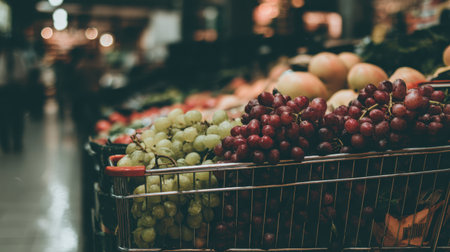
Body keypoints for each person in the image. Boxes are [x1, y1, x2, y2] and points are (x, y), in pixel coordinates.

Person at [0, 38, 28, 153]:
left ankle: (17, 143)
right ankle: (5, 144)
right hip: (3, 91)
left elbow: (22, 74)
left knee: (17, 118)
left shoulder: (17, 57)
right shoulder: (4, 58)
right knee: (3, 120)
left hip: (15, 90)